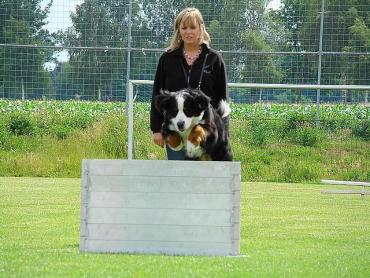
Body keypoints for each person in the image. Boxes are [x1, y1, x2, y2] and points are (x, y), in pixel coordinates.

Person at [150, 7, 229, 160]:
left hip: (206, 131)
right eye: (184, 28)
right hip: (175, 131)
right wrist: (156, 130)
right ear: (178, 30)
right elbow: (157, 95)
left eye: (193, 27)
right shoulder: (167, 59)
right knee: (178, 179)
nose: (188, 32)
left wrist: (223, 132)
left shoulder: (214, 59)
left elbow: (223, 101)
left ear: (201, 28)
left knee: (205, 180)